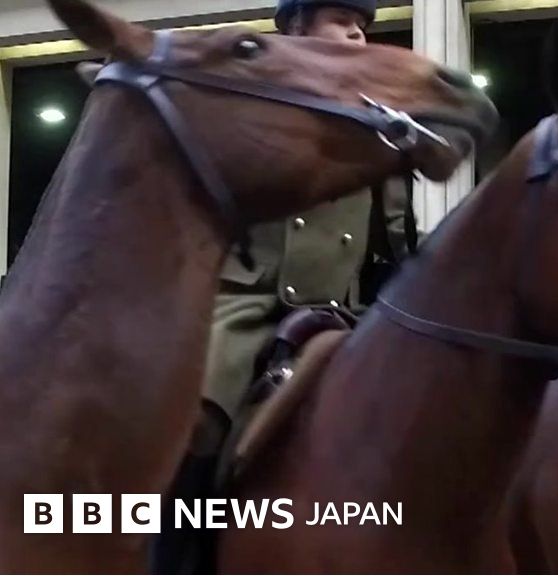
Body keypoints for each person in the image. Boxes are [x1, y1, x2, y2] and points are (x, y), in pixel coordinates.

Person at [152, 1, 415, 570]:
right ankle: (172, 559)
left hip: (340, 313)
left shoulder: (377, 127)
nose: (355, 32)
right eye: (340, 19)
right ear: (298, 27)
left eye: (362, 25)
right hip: (246, 302)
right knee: (197, 430)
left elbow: (394, 243)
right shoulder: (247, 101)